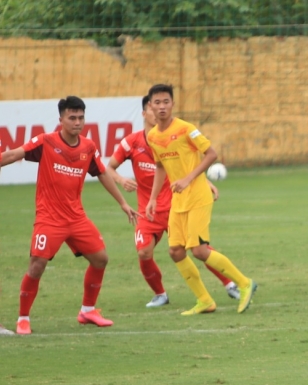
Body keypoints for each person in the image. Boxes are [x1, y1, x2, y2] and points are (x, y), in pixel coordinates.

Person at [0, 96, 139, 334]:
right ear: (61, 119)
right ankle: (23, 318)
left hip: (76, 219)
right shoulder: (46, 142)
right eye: (72, 117)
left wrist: (123, 203)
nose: (77, 122)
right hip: (49, 219)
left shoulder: (88, 147)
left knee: (101, 259)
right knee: (37, 265)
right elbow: (14, 154)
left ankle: (87, 310)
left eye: (80, 117)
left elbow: (102, 173)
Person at [105, 95, 240, 308]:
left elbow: (187, 164)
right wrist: (122, 180)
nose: (159, 110)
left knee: (198, 248)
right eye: (153, 106)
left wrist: (203, 182)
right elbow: (108, 167)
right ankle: (160, 294)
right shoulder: (132, 142)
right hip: (149, 209)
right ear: (145, 112)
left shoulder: (173, 136)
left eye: (163, 105)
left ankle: (230, 283)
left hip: (176, 205)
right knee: (143, 252)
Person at [145, 84, 256, 315]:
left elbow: (212, 154)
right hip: (178, 200)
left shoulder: (186, 128)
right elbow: (159, 166)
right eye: (157, 102)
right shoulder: (152, 136)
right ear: (150, 106)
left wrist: (188, 178)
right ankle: (204, 300)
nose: (162, 106)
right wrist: (153, 198)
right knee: (175, 251)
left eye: (166, 101)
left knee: (198, 250)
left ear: (172, 104)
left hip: (197, 195)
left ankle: (244, 283)